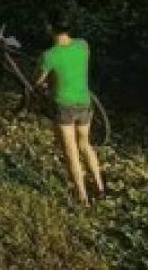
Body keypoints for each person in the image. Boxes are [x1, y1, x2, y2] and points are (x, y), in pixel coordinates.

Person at [35, 14, 105, 205]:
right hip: (84, 102)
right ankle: (100, 188)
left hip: (64, 106)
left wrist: (46, 82)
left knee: (71, 151)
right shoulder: (83, 45)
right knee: (85, 144)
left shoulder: (49, 55)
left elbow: (38, 80)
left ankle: (82, 196)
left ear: (51, 29)